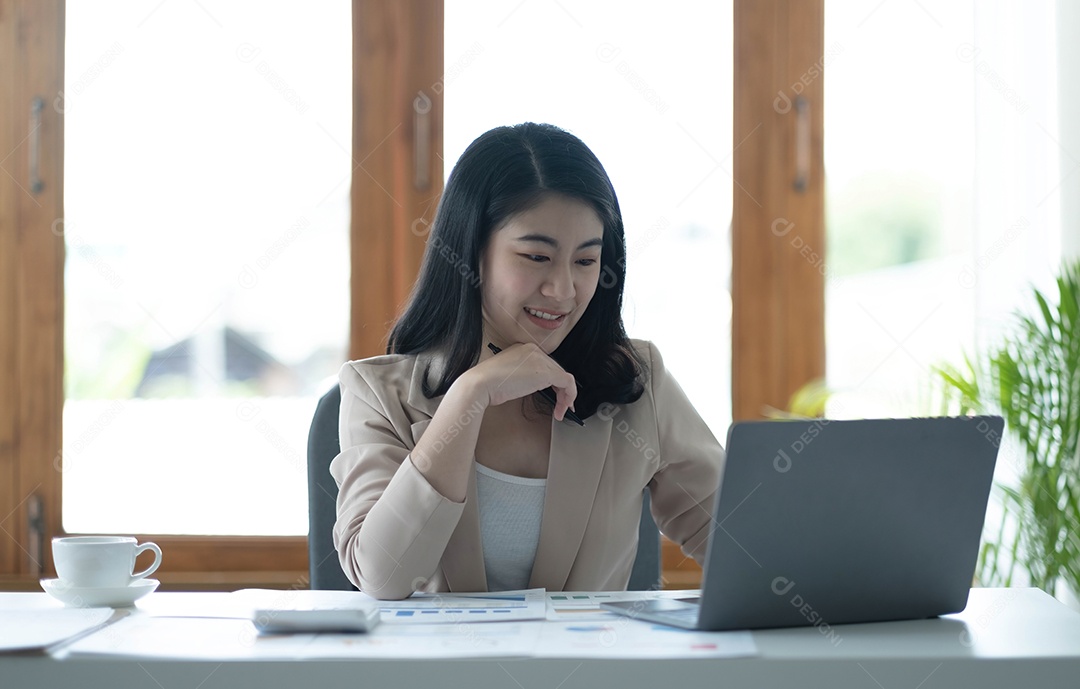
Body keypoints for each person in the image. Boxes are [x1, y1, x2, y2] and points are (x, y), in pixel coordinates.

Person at [331, 122, 725, 600]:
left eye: (585, 262)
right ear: (472, 254)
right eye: (537, 257)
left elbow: (741, 540)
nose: (563, 291)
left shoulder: (633, 382)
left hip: (587, 673)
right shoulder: (379, 394)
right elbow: (382, 577)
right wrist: (469, 397)